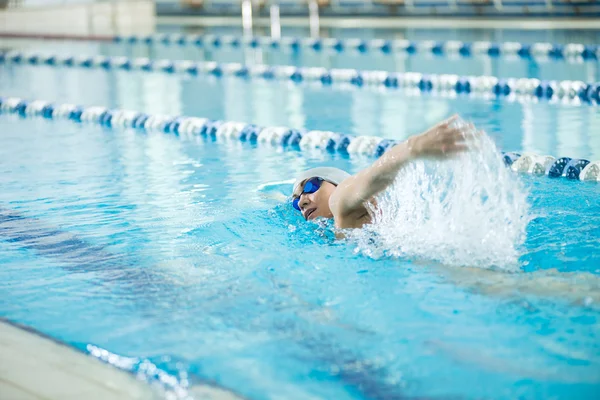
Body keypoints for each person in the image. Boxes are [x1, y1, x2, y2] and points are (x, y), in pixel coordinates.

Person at [292, 115, 470, 229]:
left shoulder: (339, 202)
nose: (301, 202)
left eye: (310, 186)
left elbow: (372, 177)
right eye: (296, 201)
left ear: (336, 183)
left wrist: (413, 147)